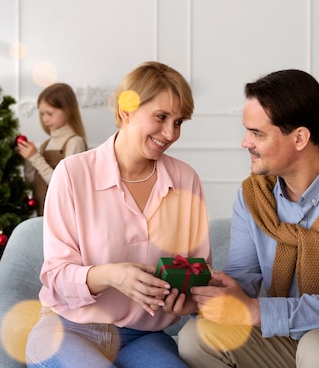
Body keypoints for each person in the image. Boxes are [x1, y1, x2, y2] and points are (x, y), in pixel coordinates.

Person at [177, 69, 319, 368]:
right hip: (292, 339)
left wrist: (255, 311)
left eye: (257, 133)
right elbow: (242, 285)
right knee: (198, 336)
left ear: (300, 137)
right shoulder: (255, 197)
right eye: (247, 131)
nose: (245, 143)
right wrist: (198, 300)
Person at [25, 61, 211, 368]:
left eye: (178, 122)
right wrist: (114, 275)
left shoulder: (185, 180)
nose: (170, 133)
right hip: (68, 328)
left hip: (143, 336)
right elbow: (56, 276)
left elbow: (198, 269)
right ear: (126, 110)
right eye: (161, 117)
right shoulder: (73, 174)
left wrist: (188, 301)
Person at [16, 83, 87, 215]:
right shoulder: (46, 144)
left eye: (50, 113)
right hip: (42, 213)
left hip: (62, 215)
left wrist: (35, 158)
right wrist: (28, 159)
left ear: (67, 110)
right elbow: (33, 182)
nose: (45, 119)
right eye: (42, 114)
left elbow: (64, 185)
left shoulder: (74, 142)